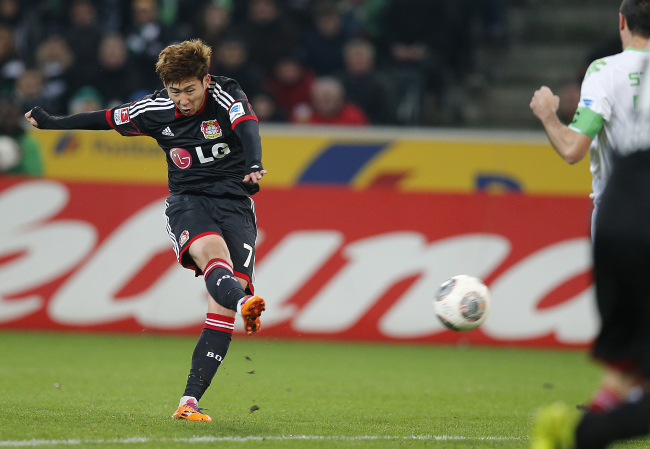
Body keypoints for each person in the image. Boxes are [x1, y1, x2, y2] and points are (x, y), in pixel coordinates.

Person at [24, 39, 267, 423]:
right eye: (176, 92)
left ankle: (188, 402)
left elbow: (248, 125)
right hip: (189, 201)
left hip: (236, 204)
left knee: (220, 306)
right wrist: (54, 123)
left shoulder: (226, 93)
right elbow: (107, 117)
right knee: (212, 256)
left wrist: (254, 164)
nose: (183, 100)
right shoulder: (155, 109)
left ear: (204, 80)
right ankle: (243, 302)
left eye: (190, 90)